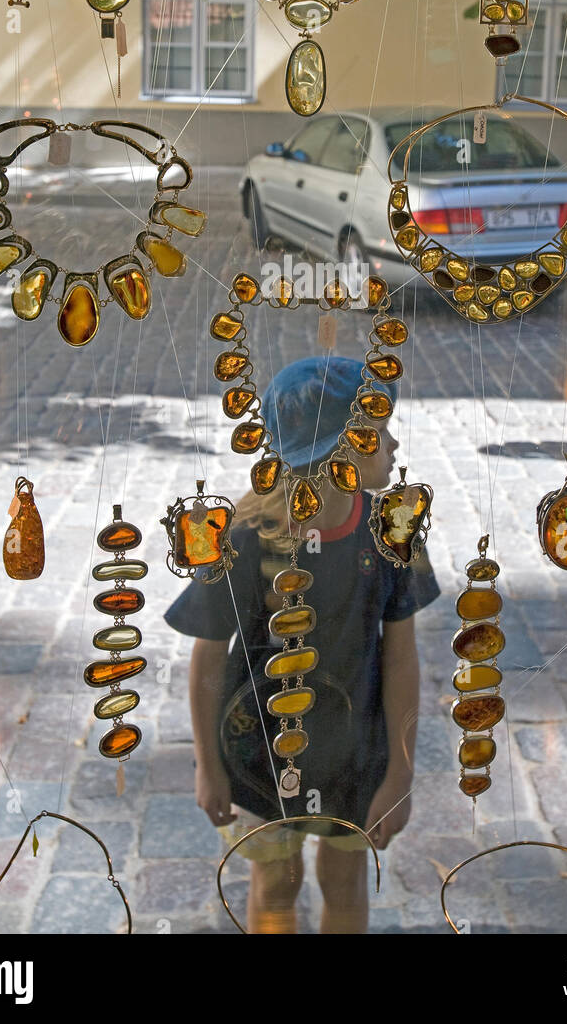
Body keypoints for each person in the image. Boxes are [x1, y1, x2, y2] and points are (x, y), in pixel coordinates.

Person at [164, 355, 440, 934]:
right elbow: (209, 659)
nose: (393, 442)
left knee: (345, 884)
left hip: (355, 754)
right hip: (258, 754)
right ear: (336, 451)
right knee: (276, 886)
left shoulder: (395, 529)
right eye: (377, 430)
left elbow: (402, 659)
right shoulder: (242, 534)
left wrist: (401, 774)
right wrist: (208, 768)